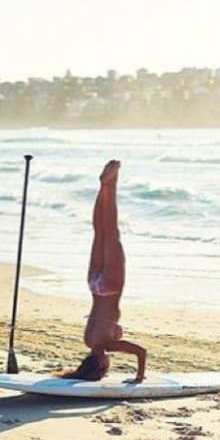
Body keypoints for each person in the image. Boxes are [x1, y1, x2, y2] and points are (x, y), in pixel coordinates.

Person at [63, 160, 146, 382]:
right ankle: (104, 187)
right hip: (94, 284)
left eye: (105, 368)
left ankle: (112, 184)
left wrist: (139, 377)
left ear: (100, 364)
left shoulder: (106, 345)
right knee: (99, 231)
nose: (109, 366)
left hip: (110, 287)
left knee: (112, 231)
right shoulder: (89, 341)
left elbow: (141, 352)